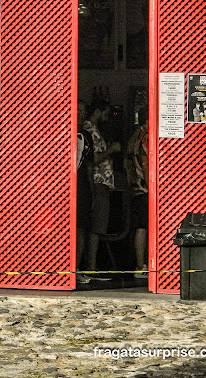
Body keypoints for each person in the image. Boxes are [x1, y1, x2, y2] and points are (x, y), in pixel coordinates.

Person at [83, 99, 121, 278]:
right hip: (98, 182)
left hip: (101, 183)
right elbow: (94, 158)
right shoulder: (90, 131)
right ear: (98, 111)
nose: (107, 118)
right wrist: (112, 150)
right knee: (96, 226)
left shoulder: (94, 130)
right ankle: (90, 267)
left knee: (97, 225)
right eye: (106, 114)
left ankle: (91, 265)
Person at [126, 106, 149, 278]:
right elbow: (146, 164)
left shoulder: (134, 136)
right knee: (143, 227)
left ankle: (140, 265)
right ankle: (141, 266)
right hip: (145, 188)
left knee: (139, 227)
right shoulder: (146, 138)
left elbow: (126, 164)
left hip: (135, 188)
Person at [76, 100, 94, 284]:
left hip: (81, 187)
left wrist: (91, 189)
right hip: (60, 187)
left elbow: (89, 165)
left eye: (83, 111)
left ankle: (77, 267)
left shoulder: (86, 135)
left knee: (81, 226)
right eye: (77, 109)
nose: (80, 113)